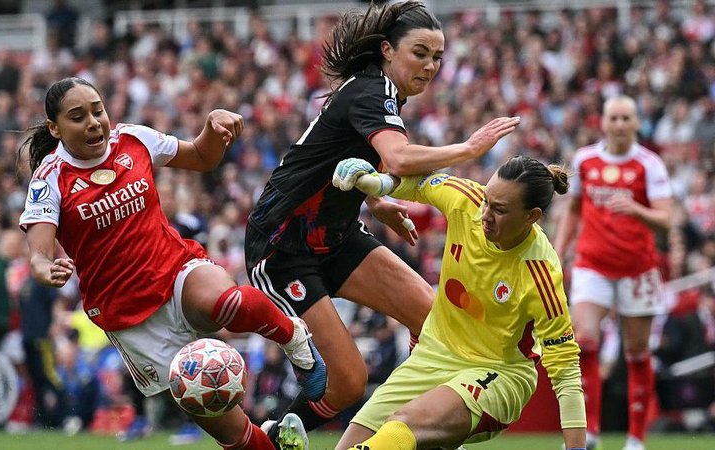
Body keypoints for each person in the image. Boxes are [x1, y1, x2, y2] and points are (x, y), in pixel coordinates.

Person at [244, 1, 520, 441]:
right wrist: (469, 149)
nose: (431, 65)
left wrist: (377, 202)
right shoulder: (373, 91)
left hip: (335, 237)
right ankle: (271, 435)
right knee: (348, 380)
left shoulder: (381, 93)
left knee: (434, 320)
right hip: (283, 246)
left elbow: (345, 162)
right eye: (421, 52)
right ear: (388, 50)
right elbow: (397, 157)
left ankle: (403, 426)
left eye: (437, 57)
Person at [17, 76, 326, 450]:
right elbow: (39, 251)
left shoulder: (132, 139)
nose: (94, 122)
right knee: (237, 435)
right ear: (55, 128)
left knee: (225, 302)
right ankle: (272, 442)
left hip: (175, 269)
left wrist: (212, 127)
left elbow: (201, 156)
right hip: (130, 316)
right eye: (78, 117)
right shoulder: (49, 177)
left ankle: (296, 340)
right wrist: (45, 267)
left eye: (98, 110)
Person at [327, 155, 585, 450]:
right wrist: (377, 182)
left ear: (532, 216)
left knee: (401, 429)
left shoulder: (540, 273)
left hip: (498, 373)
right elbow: (418, 184)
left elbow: (565, 370)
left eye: (499, 210)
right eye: (487, 200)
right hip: (433, 356)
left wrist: (576, 448)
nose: (484, 214)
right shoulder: (467, 200)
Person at [554, 95, 672, 450]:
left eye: (626, 118)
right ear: (603, 123)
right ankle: (589, 432)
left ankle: (636, 438)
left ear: (636, 123)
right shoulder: (585, 160)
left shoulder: (649, 165)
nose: (620, 124)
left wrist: (636, 209)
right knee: (584, 341)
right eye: (614, 118)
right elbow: (573, 209)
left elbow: (666, 219)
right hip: (592, 263)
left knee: (636, 351)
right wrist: (559, 251)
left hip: (637, 269)